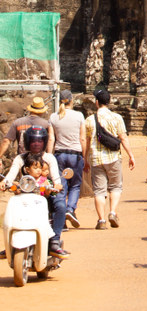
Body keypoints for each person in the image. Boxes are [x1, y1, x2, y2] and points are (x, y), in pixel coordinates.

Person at [0, 126, 68, 257]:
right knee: (11, 209)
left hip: (44, 195)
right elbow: (11, 173)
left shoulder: (49, 157)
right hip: (23, 196)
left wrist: (57, 184)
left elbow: (55, 175)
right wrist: (5, 182)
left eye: (40, 141)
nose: (36, 144)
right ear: (27, 142)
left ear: (44, 142)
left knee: (60, 206)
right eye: (33, 141)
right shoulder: (20, 158)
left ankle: (54, 241)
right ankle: (9, 243)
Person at [83, 89, 135, 230]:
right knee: (115, 186)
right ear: (109, 102)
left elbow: (86, 142)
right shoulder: (117, 118)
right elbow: (123, 137)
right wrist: (130, 155)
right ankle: (112, 212)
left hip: (96, 159)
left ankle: (101, 220)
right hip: (113, 157)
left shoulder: (89, 120)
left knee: (99, 191)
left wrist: (85, 159)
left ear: (97, 102)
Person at [48, 90, 86, 229]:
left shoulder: (53, 116)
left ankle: (60, 218)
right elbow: (82, 138)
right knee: (75, 185)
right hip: (75, 154)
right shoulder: (79, 116)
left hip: (59, 155)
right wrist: (85, 156)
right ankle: (70, 209)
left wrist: (48, 157)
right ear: (72, 100)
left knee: (60, 186)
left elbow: (51, 138)